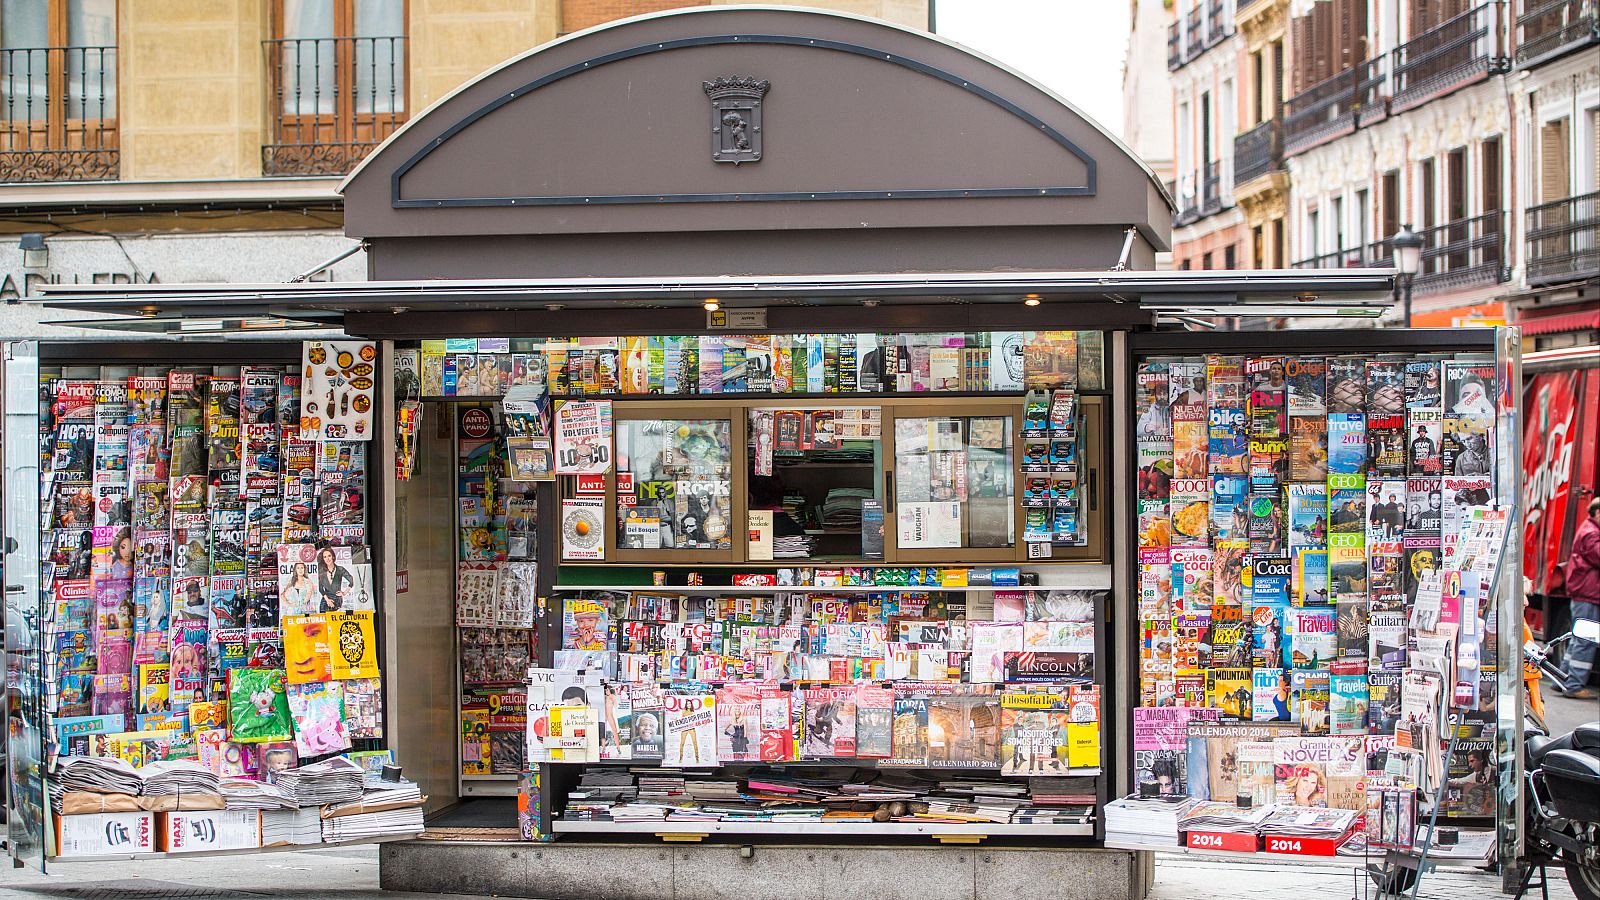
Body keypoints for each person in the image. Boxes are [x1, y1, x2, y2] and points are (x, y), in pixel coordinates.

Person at [1557, 497, 1600, 698]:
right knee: (1586, 640)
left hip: (1585, 593)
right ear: (1598, 513)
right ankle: (1574, 685)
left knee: (1578, 639)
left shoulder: (1587, 530)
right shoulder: (1591, 534)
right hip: (1588, 594)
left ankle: (1562, 679)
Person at [315, 546, 354, 612]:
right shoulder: (321, 572)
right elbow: (321, 589)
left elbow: (352, 580)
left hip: (337, 599)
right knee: (323, 620)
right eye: (325, 557)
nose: (327, 559)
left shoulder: (340, 569)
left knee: (334, 620)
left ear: (333, 556)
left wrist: (344, 593)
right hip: (325, 600)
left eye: (329, 556)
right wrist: (327, 600)